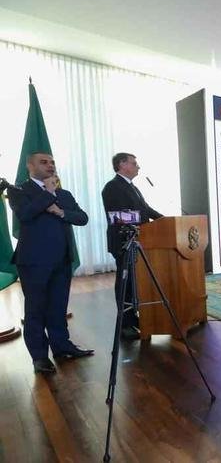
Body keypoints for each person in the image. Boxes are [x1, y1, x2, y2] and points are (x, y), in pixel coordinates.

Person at [8, 152, 92, 373]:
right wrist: (48, 192)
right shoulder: (18, 191)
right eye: (43, 162)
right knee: (36, 310)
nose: (50, 165)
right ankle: (39, 357)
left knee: (57, 308)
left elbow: (82, 218)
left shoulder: (64, 193)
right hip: (34, 262)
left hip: (62, 260)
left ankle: (62, 346)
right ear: (30, 166)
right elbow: (25, 215)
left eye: (52, 162)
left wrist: (62, 211)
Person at [101, 153, 163, 340]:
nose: (138, 166)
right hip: (123, 242)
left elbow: (145, 209)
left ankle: (133, 317)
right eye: (134, 163)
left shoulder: (132, 187)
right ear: (122, 165)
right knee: (125, 283)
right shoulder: (112, 187)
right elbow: (117, 216)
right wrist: (146, 221)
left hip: (137, 240)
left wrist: (165, 220)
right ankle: (124, 324)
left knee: (134, 283)